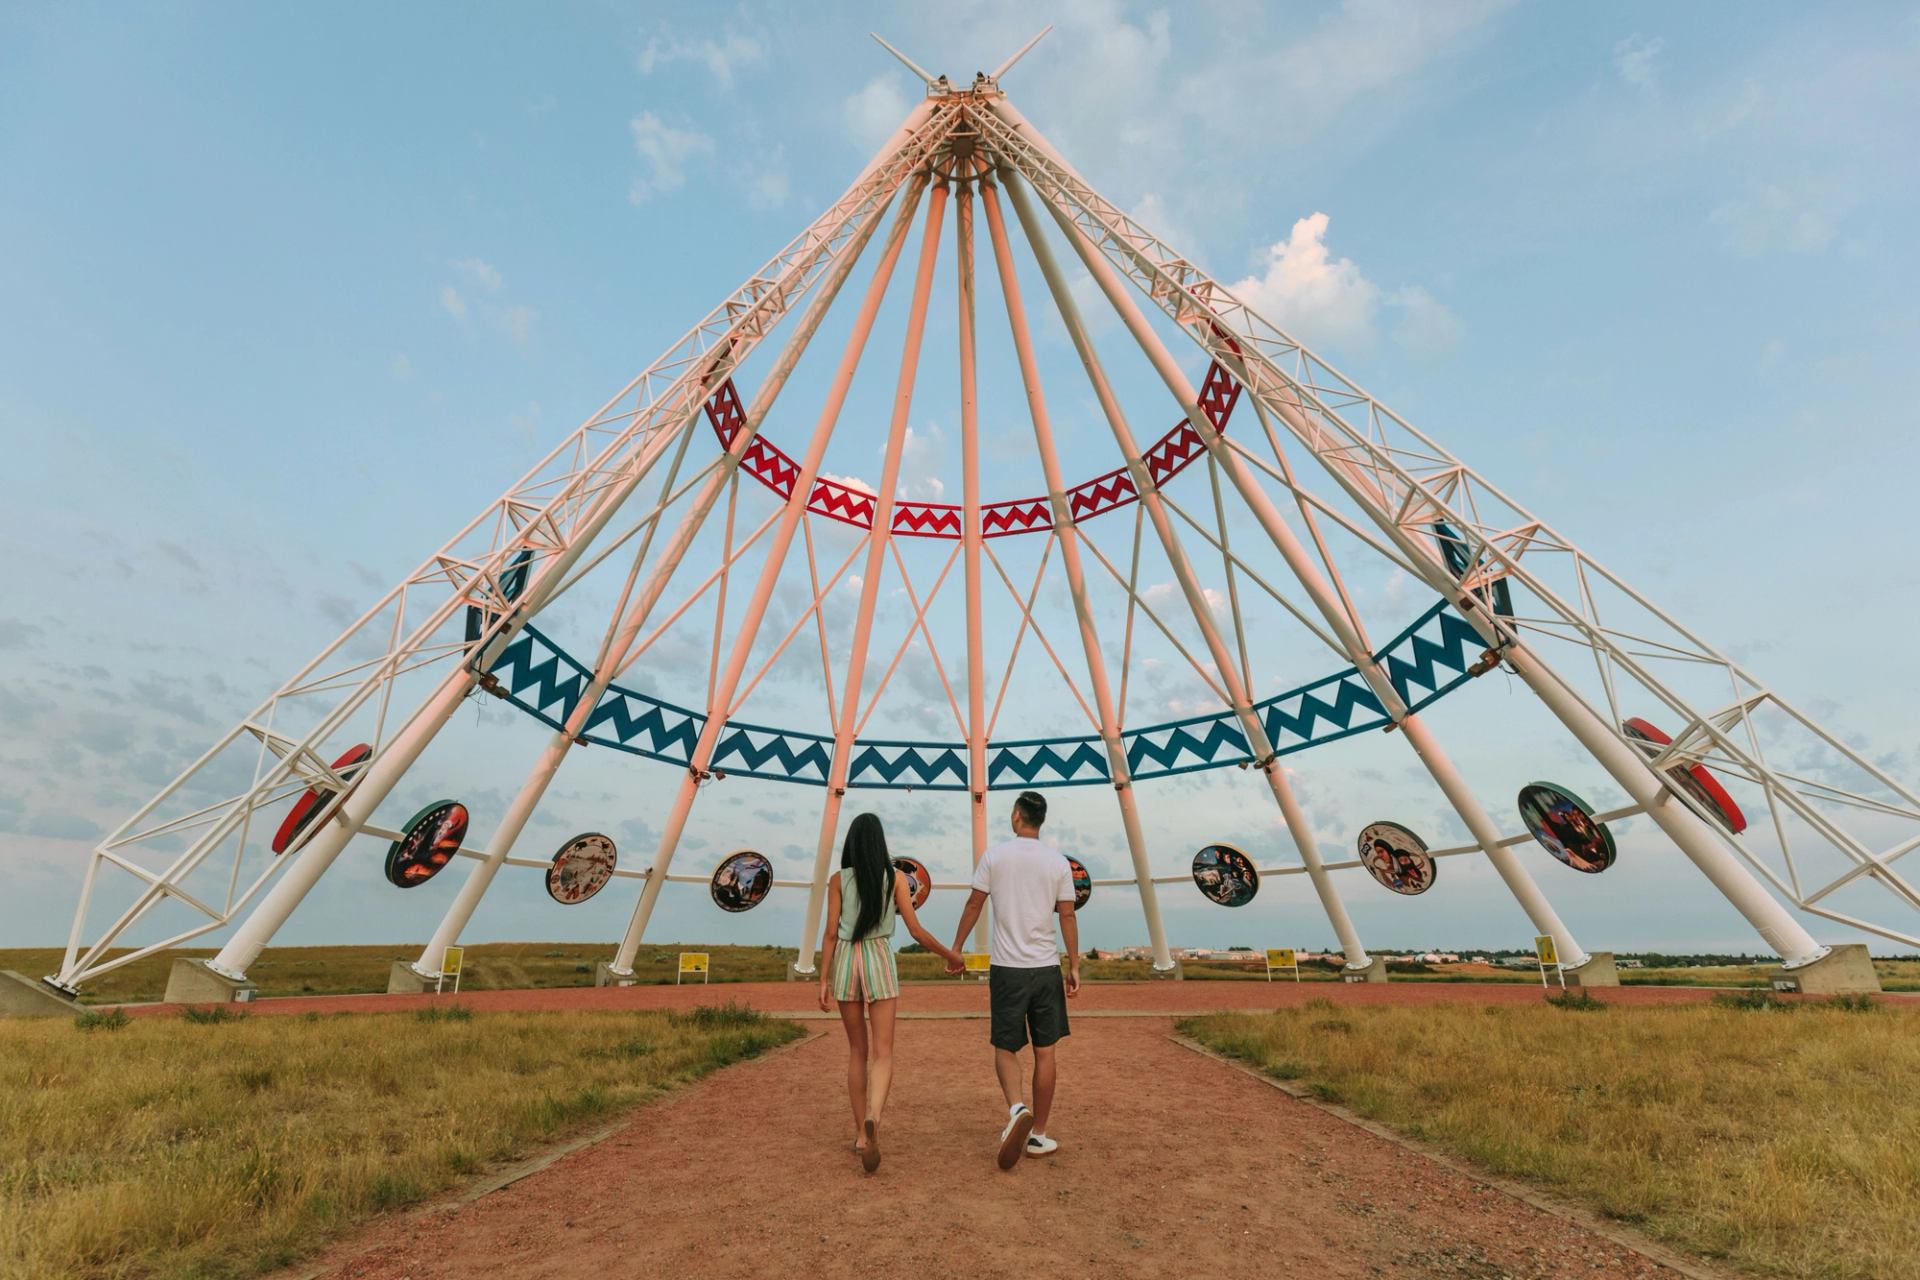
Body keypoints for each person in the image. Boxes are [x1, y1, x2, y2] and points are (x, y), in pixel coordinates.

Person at [816, 812, 964, 1174]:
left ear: (851, 843)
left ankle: (861, 1137)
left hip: (848, 958)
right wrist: (950, 954)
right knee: (883, 1053)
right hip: (879, 957)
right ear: (880, 844)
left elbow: (831, 934)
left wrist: (823, 979)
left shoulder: (837, 880)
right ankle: (874, 1117)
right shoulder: (896, 878)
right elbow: (915, 930)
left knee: (856, 1051)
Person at [948, 790, 1080, 1170]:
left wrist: (957, 946)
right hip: (1045, 969)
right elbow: (1067, 916)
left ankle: (1017, 1108)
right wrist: (1073, 965)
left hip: (1007, 969)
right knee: (1046, 1051)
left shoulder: (994, 856)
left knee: (1006, 1047)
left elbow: (975, 903)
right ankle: (1037, 1133)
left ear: (1019, 816)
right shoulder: (1058, 863)